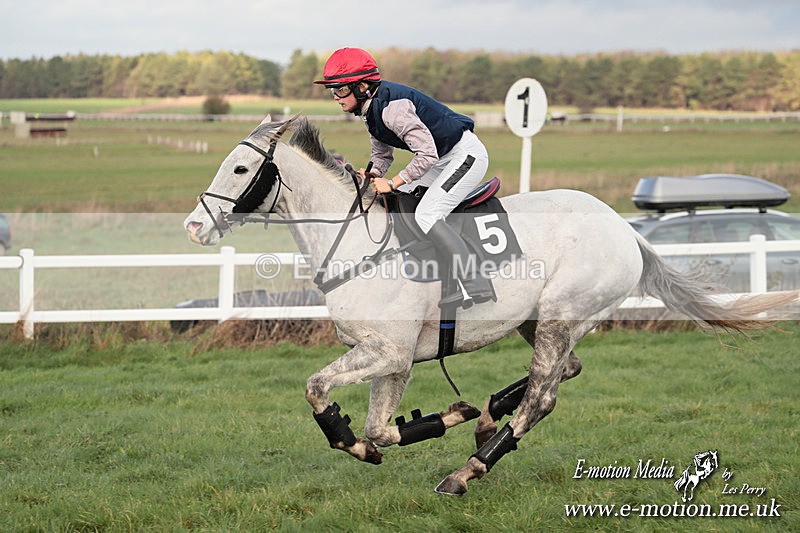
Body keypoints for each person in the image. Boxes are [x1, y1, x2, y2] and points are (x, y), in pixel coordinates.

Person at [314, 47, 494, 309]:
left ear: (362, 87)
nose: (335, 97)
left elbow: (427, 155)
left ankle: (474, 281)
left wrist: (392, 182)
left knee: (427, 214)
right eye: (332, 91)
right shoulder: (370, 110)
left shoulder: (392, 109)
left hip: (464, 156)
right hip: (441, 159)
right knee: (403, 201)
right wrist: (373, 174)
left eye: (340, 90)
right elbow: (382, 155)